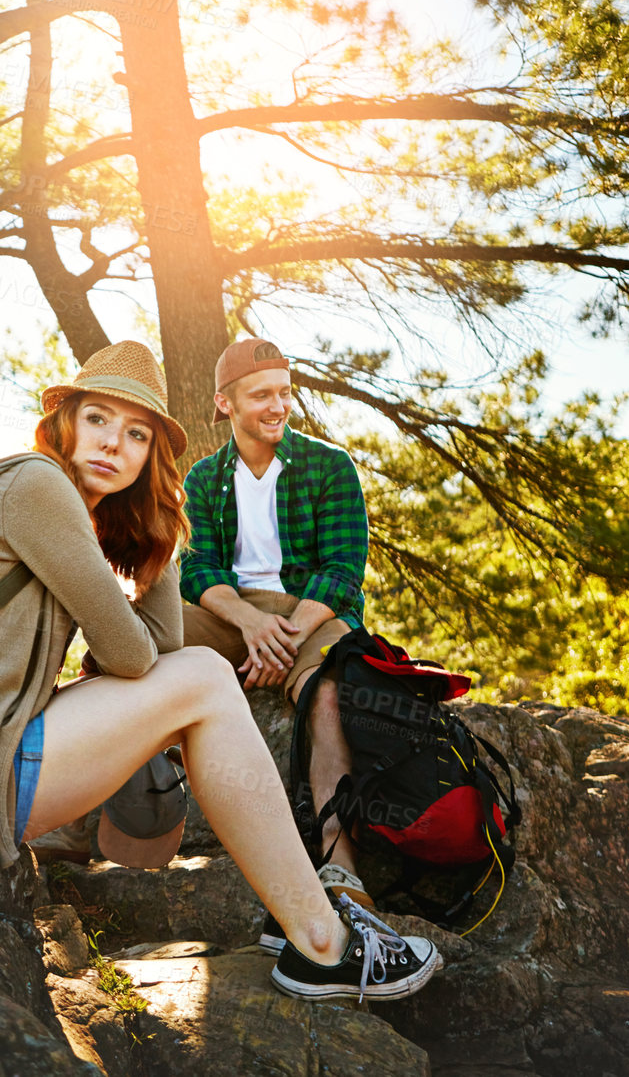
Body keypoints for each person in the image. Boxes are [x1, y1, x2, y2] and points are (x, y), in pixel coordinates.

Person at [0, 341, 438, 1001]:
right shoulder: (36, 484)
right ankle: (323, 943)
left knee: (196, 672)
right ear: (65, 421)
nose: (115, 444)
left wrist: (161, 521)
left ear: (151, 454)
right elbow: (137, 660)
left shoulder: (61, 499)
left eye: (138, 434)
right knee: (205, 677)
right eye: (99, 419)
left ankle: (300, 912)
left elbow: (157, 643)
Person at [178, 337, 373, 910]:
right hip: (233, 614)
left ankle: (340, 863)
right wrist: (248, 625)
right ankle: (124, 812)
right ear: (225, 404)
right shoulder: (203, 479)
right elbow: (198, 570)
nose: (277, 405)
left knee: (330, 689)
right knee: (141, 636)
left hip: (310, 612)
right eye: (261, 394)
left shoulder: (329, 465)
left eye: (285, 392)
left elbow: (341, 573)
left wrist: (283, 637)